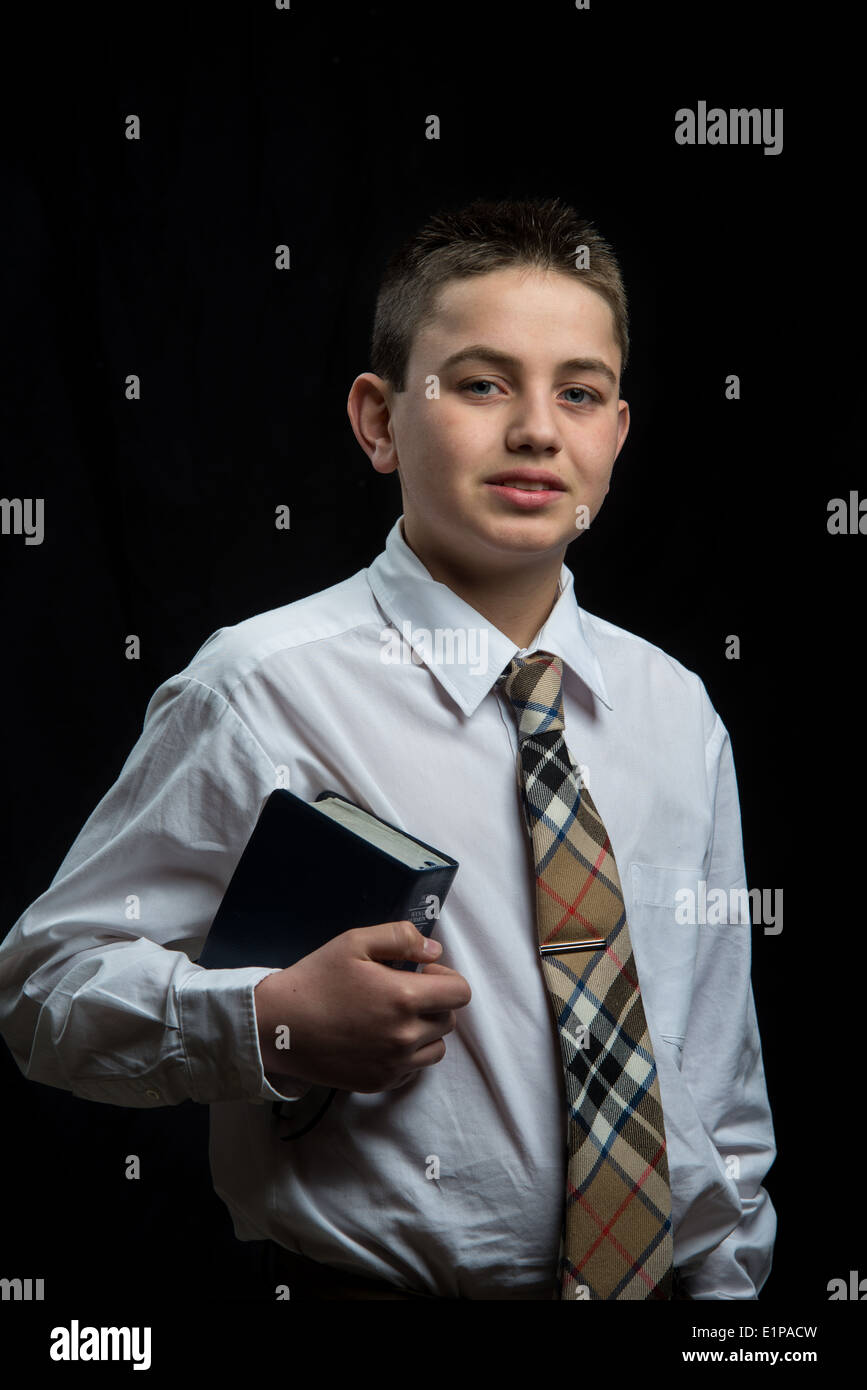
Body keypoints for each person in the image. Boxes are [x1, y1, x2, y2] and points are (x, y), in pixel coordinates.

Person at [0, 196, 776, 1300]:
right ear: (377, 421)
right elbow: (43, 990)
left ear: (615, 434)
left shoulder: (677, 710)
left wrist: (733, 1299)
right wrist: (267, 1024)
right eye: (480, 382)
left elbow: (717, 1059)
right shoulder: (262, 687)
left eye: (580, 392)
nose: (537, 430)